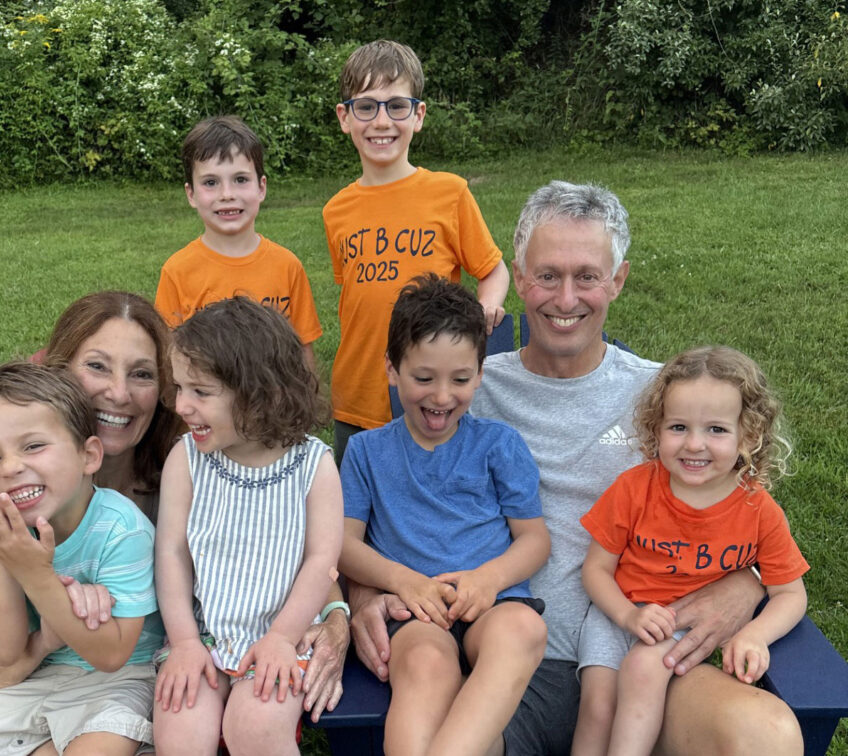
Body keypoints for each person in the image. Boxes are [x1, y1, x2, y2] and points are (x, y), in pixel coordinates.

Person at [351, 181, 804, 755]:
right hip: (491, 661)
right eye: (547, 275)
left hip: (641, 655)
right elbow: (374, 499)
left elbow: (752, 516)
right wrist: (361, 599)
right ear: (518, 276)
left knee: (768, 735)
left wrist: (747, 583)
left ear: (618, 280)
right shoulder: (463, 389)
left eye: (587, 276)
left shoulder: (671, 401)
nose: (565, 299)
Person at [0, 291, 348, 724]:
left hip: (145, 687)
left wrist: (334, 619)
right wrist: (53, 625)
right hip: (51, 690)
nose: (118, 393)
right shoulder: (18, 496)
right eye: (97, 367)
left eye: (141, 374)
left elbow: (283, 546)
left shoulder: (196, 468)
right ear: (59, 374)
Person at [339, 274, 550, 756]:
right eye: (423, 378)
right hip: (414, 612)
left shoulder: (499, 444)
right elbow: (343, 544)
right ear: (392, 369)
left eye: (460, 379)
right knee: (426, 668)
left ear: (480, 373)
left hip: (491, 601)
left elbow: (534, 539)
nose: (441, 397)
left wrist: (489, 579)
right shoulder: (366, 452)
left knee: (524, 630)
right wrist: (404, 581)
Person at [576, 346, 808, 755]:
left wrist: (755, 635)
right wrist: (628, 615)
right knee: (597, 706)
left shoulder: (758, 511)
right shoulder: (634, 488)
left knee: (646, 668)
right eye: (678, 427)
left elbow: (790, 594)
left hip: (682, 621)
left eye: (717, 430)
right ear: (657, 427)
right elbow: (596, 569)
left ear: (748, 436)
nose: (694, 445)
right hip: (617, 614)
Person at [0, 362, 161, 754]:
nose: (11, 468)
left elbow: (110, 654)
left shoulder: (123, 530)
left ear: (89, 455)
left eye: (34, 445)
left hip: (121, 679)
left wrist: (36, 575)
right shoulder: (1, 533)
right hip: (35, 678)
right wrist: (6, 555)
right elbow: (3, 652)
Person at [153, 297, 343, 756]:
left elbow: (321, 562)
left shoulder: (312, 466)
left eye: (200, 392)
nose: (182, 405)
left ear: (259, 392)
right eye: (180, 388)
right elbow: (172, 553)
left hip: (283, 635)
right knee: (180, 728)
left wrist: (280, 637)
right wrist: (182, 641)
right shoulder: (187, 460)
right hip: (203, 635)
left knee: (255, 728)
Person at [322, 39, 510, 463]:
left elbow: (493, 270)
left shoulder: (449, 192)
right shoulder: (336, 210)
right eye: (366, 106)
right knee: (355, 515)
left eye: (396, 106)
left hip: (430, 392)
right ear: (344, 118)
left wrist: (484, 313)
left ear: (418, 115)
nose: (381, 120)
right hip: (357, 396)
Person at [154, 115, 322, 369]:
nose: (227, 195)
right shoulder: (178, 271)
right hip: (207, 404)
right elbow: (168, 356)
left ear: (261, 187)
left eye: (241, 180)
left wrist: (307, 404)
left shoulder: (287, 266)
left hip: (276, 404)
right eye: (211, 182)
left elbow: (303, 351)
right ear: (191, 194)